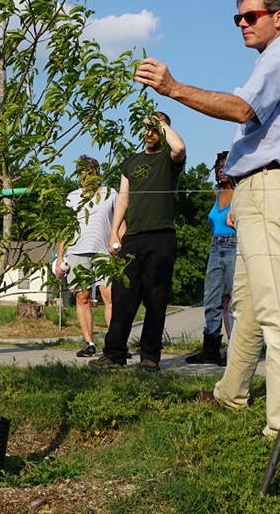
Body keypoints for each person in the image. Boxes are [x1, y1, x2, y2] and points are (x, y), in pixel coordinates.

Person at [132, 0, 280, 438]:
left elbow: (240, 109)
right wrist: (240, 198)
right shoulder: (275, 60)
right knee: (250, 307)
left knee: (278, 311)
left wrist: (173, 88)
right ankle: (231, 393)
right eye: (237, 17)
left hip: (271, 188)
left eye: (250, 15)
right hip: (258, 191)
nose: (242, 23)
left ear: (279, 16)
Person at [90, 112, 186, 370]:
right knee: (123, 297)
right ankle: (114, 354)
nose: (150, 133)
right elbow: (123, 199)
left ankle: (149, 358)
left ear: (163, 130)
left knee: (156, 298)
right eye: (146, 128)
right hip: (132, 237)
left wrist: (160, 123)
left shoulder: (169, 158)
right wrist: (113, 233)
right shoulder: (130, 162)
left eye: (154, 128)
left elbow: (179, 147)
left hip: (162, 236)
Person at [54, 155, 119, 358]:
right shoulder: (72, 197)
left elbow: (120, 221)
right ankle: (89, 343)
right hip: (77, 252)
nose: (86, 176)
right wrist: (59, 256)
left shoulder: (111, 193)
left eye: (89, 171)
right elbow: (65, 227)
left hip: (104, 252)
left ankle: (115, 344)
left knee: (110, 297)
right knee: (82, 297)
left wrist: (120, 246)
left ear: (96, 173)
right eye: (82, 172)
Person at [185, 151, 236, 366]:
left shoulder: (242, 192)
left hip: (236, 245)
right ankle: (210, 349)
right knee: (212, 298)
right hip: (216, 246)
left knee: (235, 300)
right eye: (219, 166)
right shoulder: (216, 194)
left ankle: (235, 351)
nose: (222, 169)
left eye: (226, 165)